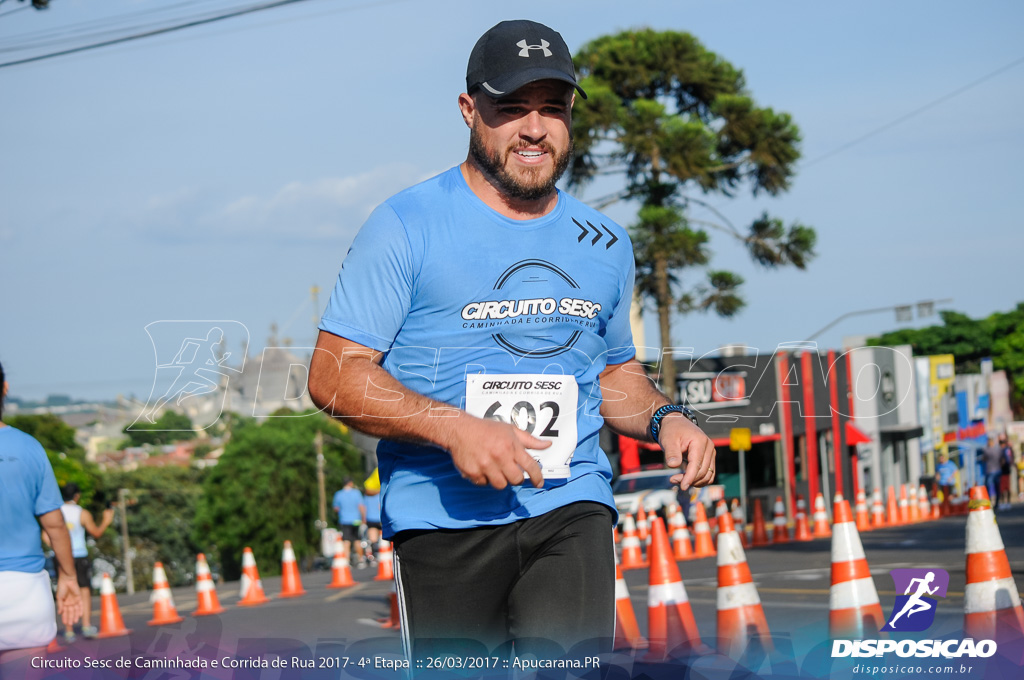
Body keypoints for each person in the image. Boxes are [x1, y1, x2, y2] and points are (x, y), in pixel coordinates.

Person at [307, 19, 715, 662]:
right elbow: (334, 377)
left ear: (571, 113)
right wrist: (456, 429)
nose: (534, 128)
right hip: (443, 524)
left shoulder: (605, 243)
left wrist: (666, 418)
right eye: (511, 108)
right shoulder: (404, 225)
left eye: (551, 109)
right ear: (470, 110)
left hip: (569, 505)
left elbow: (613, 376)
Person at [0, 360, 82, 653]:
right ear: (5, 388)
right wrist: (69, 577)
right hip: (23, 594)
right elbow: (54, 525)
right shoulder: (29, 448)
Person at [56, 482, 114, 640]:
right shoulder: (82, 513)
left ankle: (68, 630)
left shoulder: (55, 512)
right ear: (77, 496)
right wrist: (106, 521)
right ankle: (86, 626)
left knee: (66, 590)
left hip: (62, 556)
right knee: (84, 590)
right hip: (79, 555)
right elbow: (96, 533)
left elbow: (46, 537)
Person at [331, 478, 365, 567]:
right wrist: (363, 518)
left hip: (344, 520)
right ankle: (361, 560)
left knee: (346, 541)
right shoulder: (356, 493)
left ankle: (347, 560)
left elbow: (336, 508)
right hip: (356, 520)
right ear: (350, 483)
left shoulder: (338, 494)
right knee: (357, 540)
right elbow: (361, 506)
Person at [981, 436, 1004, 513]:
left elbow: (984, 458)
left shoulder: (986, 449)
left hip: (990, 471)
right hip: (997, 470)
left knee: (988, 487)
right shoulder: (998, 449)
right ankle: (996, 503)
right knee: (997, 487)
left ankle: (990, 502)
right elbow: (1002, 460)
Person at [997, 434, 1013, 510]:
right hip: (1001, 472)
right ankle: (1003, 503)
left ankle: (1008, 503)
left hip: (1006, 471)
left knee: (1007, 488)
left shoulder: (1007, 450)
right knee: (1002, 489)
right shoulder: (1000, 450)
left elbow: (1010, 459)